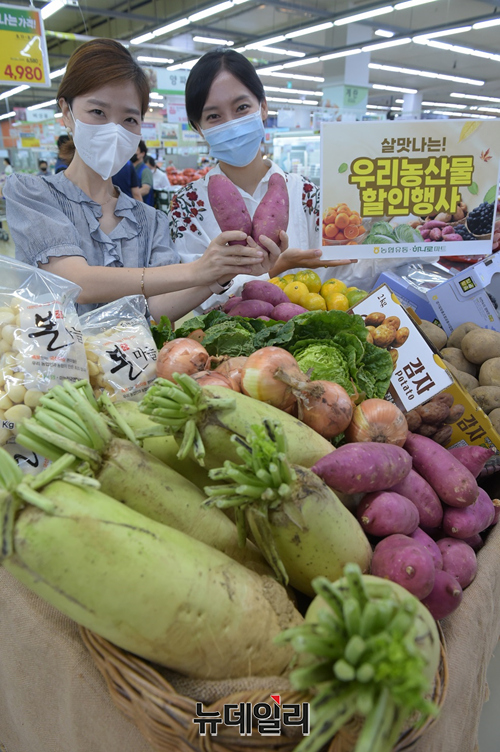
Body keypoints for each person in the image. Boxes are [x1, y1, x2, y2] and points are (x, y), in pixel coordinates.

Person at [3, 39, 278, 323]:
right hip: (54, 364)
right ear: (66, 112)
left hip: (132, 367)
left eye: (129, 120)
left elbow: (155, 312)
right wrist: (198, 270)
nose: (114, 129)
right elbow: (76, 281)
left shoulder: (151, 221)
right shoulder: (32, 194)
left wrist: (223, 272)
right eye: (98, 112)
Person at [131, 140, 155, 206]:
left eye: (135, 150)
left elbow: (145, 189)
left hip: (143, 208)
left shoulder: (145, 170)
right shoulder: (130, 169)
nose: (132, 152)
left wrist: (129, 196)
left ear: (142, 153)